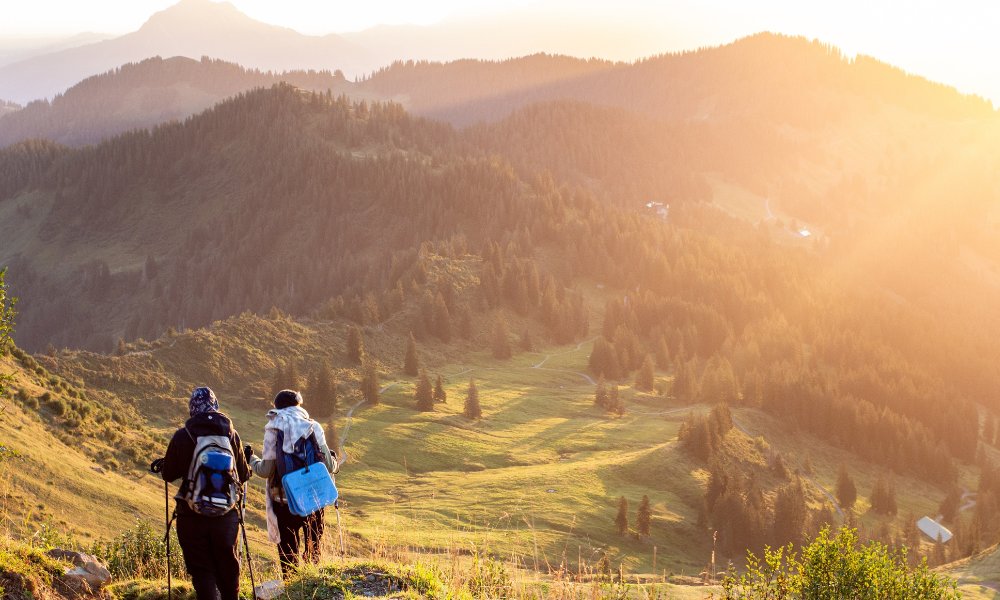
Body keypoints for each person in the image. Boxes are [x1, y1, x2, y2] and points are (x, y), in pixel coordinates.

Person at [160, 387, 250, 600]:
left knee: (202, 569)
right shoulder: (231, 434)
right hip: (226, 515)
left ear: (192, 409)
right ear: (215, 406)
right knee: (228, 567)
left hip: (191, 514)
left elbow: (168, 474)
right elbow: (244, 475)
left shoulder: (184, 435)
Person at [247, 389, 339, 577]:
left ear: (277, 408)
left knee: (288, 556)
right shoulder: (313, 426)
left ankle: (291, 589)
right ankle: (313, 588)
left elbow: (265, 471)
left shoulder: (273, 428)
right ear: (299, 405)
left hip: (284, 501)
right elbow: (328, 466)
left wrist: (251, 459)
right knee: (313, 552)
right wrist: (335, 462)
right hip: (314, 499)